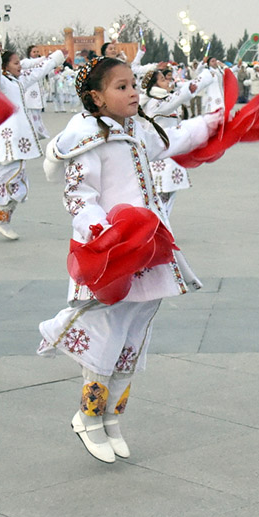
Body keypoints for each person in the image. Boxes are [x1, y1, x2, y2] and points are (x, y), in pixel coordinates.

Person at [38, 57, 220, 463]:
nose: (133, 92)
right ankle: (88, 415)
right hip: (111, 253)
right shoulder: (88, 137)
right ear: (96, 97)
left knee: (134, 335)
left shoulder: (136, 129)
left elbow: (173, 140)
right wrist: (103, 232)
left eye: (133, 84)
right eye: (121, 87)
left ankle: (112, 417)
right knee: (106, 331)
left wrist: (211, 123)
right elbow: (78, 196)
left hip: (146, 249)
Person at [0, 43, 66, 239]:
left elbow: (38, 72)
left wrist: (56, 57)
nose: (20, 66)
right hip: (7, 141)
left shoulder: (19, 82)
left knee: (16, 180)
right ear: (5, 66)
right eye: (16, 63)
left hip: (18, 142)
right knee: (10, 180)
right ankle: (2, 219)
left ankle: (3, 219)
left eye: (20, 62)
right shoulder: (0, 83)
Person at [141, 64, 212, 217]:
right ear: (154, 85)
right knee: (161, 200)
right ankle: (159, 226)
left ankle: (160, 226)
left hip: (169, 155)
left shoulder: (161, 100)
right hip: (161, 158)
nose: (168, 81)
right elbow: (179, 97)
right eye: (163, 80)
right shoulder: (155, 103)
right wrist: (203, 78)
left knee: (166, 199)